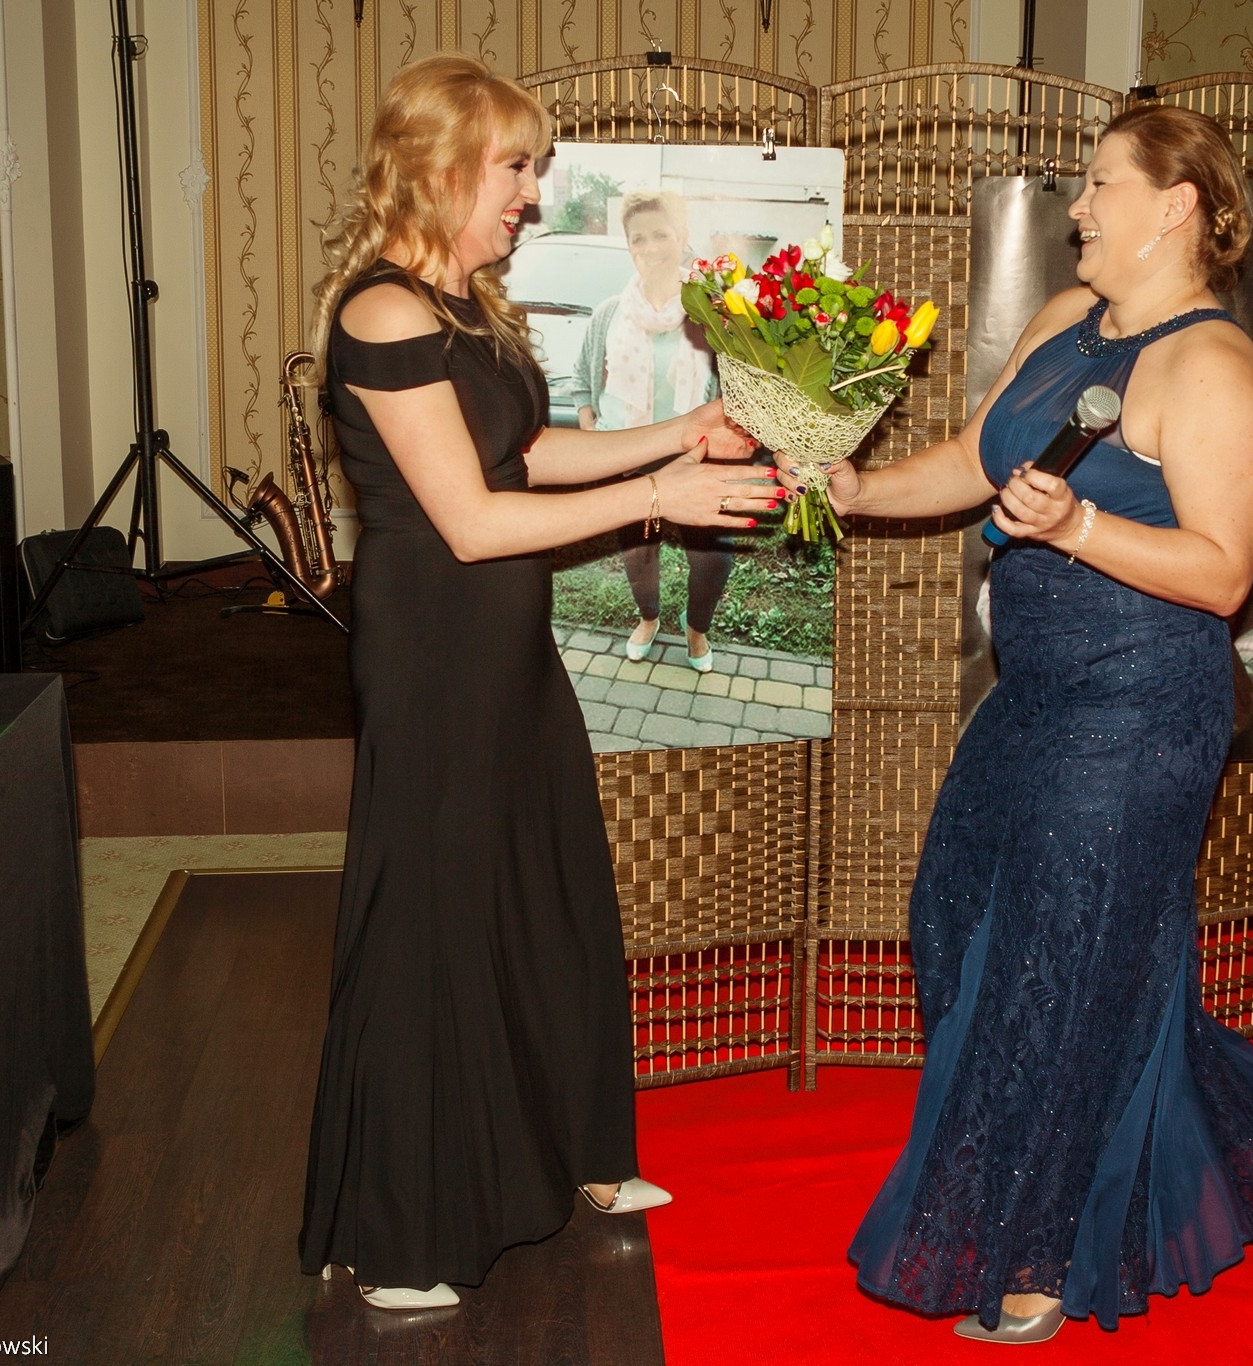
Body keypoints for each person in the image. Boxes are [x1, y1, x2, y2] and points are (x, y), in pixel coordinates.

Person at [790, 104, 1253, 1343]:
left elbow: (1223, 572)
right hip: (1033, 696)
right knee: (953, 915)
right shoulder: (1065, 321)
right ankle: (1156, 1142)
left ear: (1175, 207)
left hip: (1139, 708)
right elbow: (976, 460)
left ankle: (1037, 1251)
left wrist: (1079, 526)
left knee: (1062, 968)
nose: (1077, 207)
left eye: (1100, 186)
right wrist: (860, 487)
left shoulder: (1213, 367)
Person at [296, 55, 775, 1311]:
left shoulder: (468, 305)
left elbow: (528, 452)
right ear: (440, 166)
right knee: (438, 918)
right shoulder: (384, 311)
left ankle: (575, 1152)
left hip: (503, 645)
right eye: (515, 166)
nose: (532, 191)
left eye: (533, 166)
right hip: (435, 649)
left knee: (544, 890)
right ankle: (401, 1235)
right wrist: (661, 497)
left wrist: (680, 433)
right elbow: (469, 519)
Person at [574, 190, 734, 672]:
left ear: (682, 237)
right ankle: (648, 618)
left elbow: (736, 388)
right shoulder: (609, 314)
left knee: (713, 558)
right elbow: (583, 380)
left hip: (695, 458)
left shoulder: (708, 314)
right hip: (629, 458)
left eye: (660, 234)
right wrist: (593, 435)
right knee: (639, 552)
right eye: (637, 238)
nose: (649, 247)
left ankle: (696, 627)